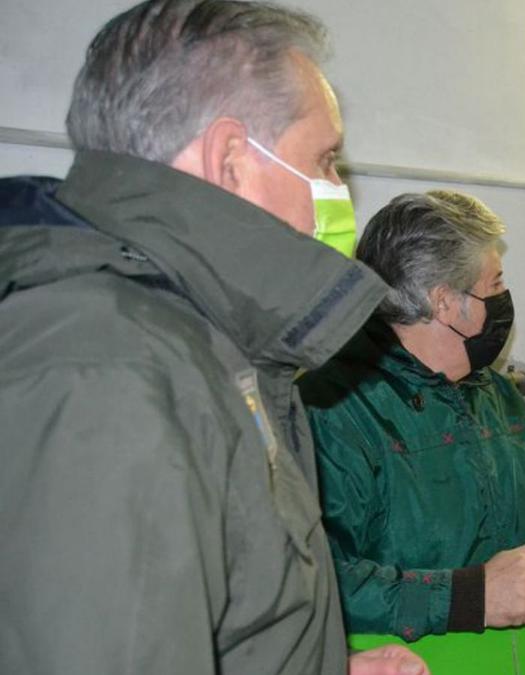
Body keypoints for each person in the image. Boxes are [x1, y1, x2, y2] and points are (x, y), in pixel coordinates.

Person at [0, 2, 426, 673]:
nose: (341, 190)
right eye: (326, 160)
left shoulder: (208, 348)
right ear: (232, 159)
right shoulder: (109, 372)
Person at [301, 191, 525, 642]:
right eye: (495, 284)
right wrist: (468, 597)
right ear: (444, 302)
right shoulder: (332, 410)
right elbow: (319, 582)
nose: (505, 299)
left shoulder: (491, 390)